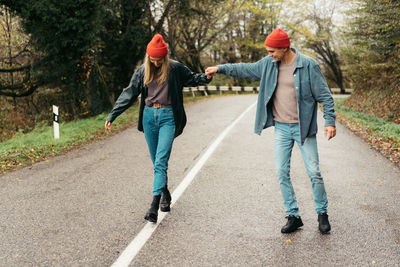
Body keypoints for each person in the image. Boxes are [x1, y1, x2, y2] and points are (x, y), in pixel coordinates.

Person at [205, 28, 336, 234]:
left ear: (285, 48)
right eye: (268, 51)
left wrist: (330, 121)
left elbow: (326, 96)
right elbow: (244, 69)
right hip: (282, 128)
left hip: (304, 129)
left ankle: (322, 213)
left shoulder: (308, 65)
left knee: (314, 172)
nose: (269, 55)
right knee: (281, 172)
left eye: (272, 51)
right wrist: (219, 68)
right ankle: (293, 215)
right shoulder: (268, 64)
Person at [105, 34, 211, 223]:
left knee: (161, 161)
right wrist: (113, 115)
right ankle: (165, 193)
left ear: (165, 57)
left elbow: (192, 78)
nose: (155, 62)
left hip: (168, 117)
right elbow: (129, 93)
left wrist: (206, 77)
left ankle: (153, 205)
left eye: (159, 59)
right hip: (148, 117)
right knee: (157, 162)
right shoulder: (142, 71)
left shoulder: (175, 68)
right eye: (152, 59)